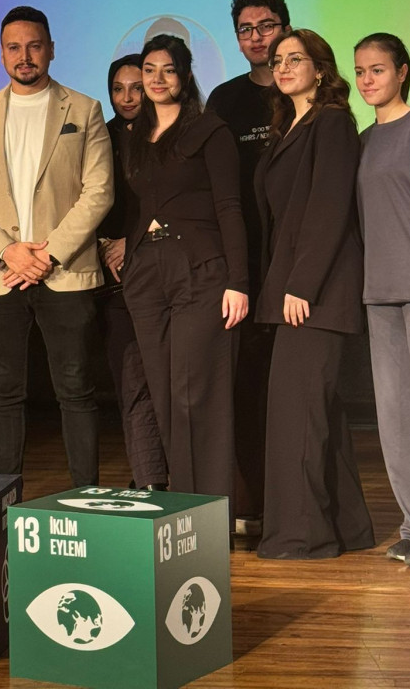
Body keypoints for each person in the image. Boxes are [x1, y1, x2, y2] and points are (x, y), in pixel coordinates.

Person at [0, 6, 112, 487]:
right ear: (2, 53)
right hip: (1, 274)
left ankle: (87, 495)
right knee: (5, 392)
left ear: (52, 49)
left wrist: (47, 254)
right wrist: (8, 251)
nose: (25, 56)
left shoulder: (83, 110)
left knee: (77, 390)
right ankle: (6, 500)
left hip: (64, 271)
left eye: (34, 45)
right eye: (14, 47)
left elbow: (99, 189)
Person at [255, 29, 374, 559]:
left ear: (320, 69)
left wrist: (301, 284)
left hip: (315, 293)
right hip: (295, 289)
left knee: (298, 416)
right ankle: (348, 528)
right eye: (277, 60)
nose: (282, 67)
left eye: (294, 58)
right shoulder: (292, 126)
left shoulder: (332, 123)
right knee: (318, 414)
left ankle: (302, 536)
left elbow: (328, 208)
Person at [121, 34, 248, 506]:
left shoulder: (210, 130)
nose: (156, 79)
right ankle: (182, 506)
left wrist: (239, 281)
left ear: (186, 75)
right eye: (149, 69)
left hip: (200, 269)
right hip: (146, 275)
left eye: (167, 70)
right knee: (165, 396)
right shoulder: (137, 138)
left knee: (198, 395)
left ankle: (210, 510)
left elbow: (230, 207)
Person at [207, 0, 290, 528]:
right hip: (243, 260)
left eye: (266, 26)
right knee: (246, 385)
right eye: (246, 29)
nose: (257, 37)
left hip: (299, 259)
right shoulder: (224, 99)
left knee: (293, 390)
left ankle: (293, 505)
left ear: (286, 28)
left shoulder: (305, 92)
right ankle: (252, 504)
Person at [354, 33, 410, 570]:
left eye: (377, 70)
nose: (367, 80)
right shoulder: (361, 139)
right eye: (360, 71)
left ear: (402, 72)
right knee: (396, 418)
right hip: (377, 296)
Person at [96, 55, 167, 490]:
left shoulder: (166, 134)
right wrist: (106, 245)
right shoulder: (97, 137)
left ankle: (184, 480)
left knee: (169, 384)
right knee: (132, 384)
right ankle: (149, 481)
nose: (127, 97)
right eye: (118, 88)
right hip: (113, 278)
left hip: (162, 270)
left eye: (135, 87)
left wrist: (133, 242)